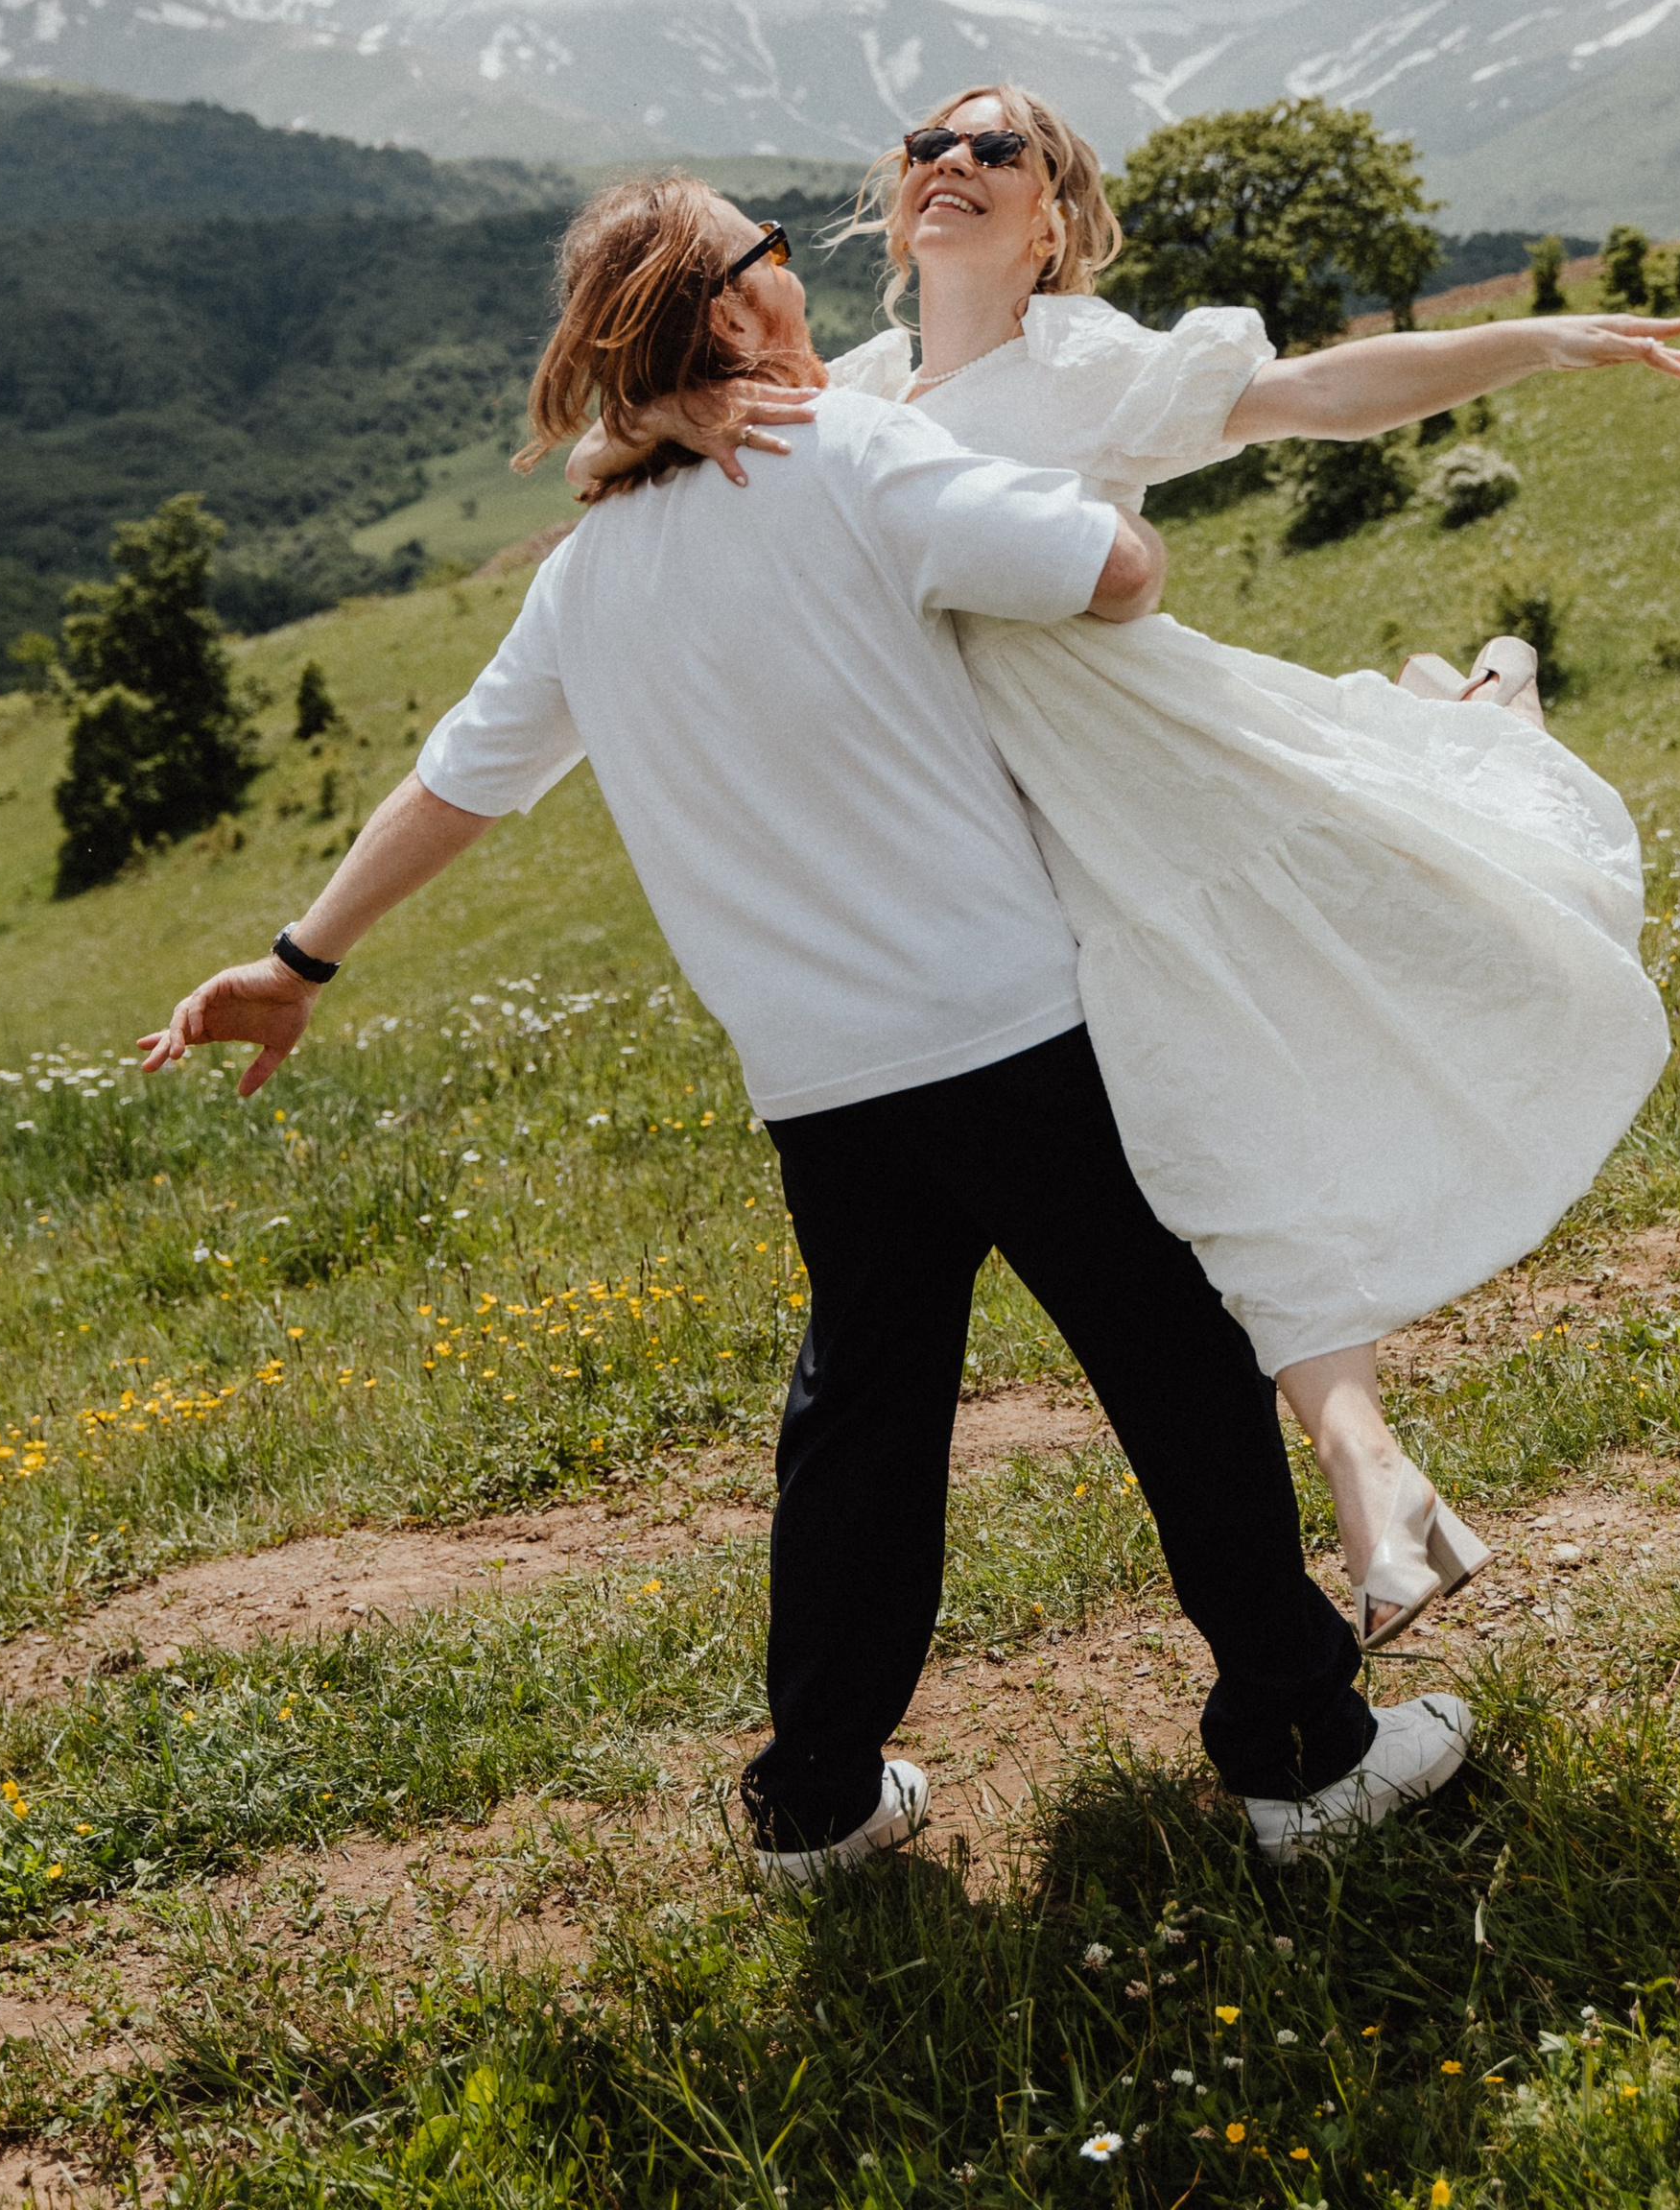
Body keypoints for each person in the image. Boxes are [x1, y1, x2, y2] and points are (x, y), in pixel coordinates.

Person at [141, 174, 1472, 1884]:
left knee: (865, 1421)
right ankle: (1304, 1752)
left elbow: (458, 782)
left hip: (819, 1080)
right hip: (1005, 1028)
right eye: (769, 250)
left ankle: (819, 1799)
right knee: (1174, 1363)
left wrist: (302, 959)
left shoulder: (587, 574)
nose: (795, 273)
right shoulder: (853, 453)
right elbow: (1122, 574)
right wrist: (1028, 477)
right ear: (741, 306)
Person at [570, 89, 1680, 1645]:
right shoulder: (864, 386)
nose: (954, 164)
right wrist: (657, 421)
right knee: (1210, 1128)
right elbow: (636, 426)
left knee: (1284, 1027)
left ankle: (1485, 708)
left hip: (1148, 776)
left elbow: (1318, 396)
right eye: (929, 145)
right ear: (896, 201)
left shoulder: (1083, 361)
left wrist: (1543, 341)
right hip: (1019, 847)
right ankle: (1373, 1471)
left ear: (1051, 222)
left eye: (999, 151)